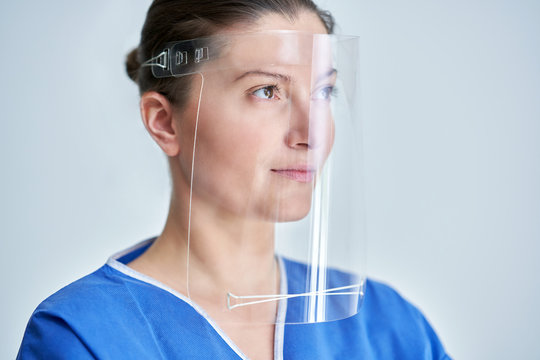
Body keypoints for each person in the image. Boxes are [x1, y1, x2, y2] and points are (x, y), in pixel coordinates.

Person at [17, 1, 451, 359]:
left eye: (324, 92)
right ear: (165, 122)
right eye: (267, 91)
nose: (311, 132)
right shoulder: (84, 336)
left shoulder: (387, 326)